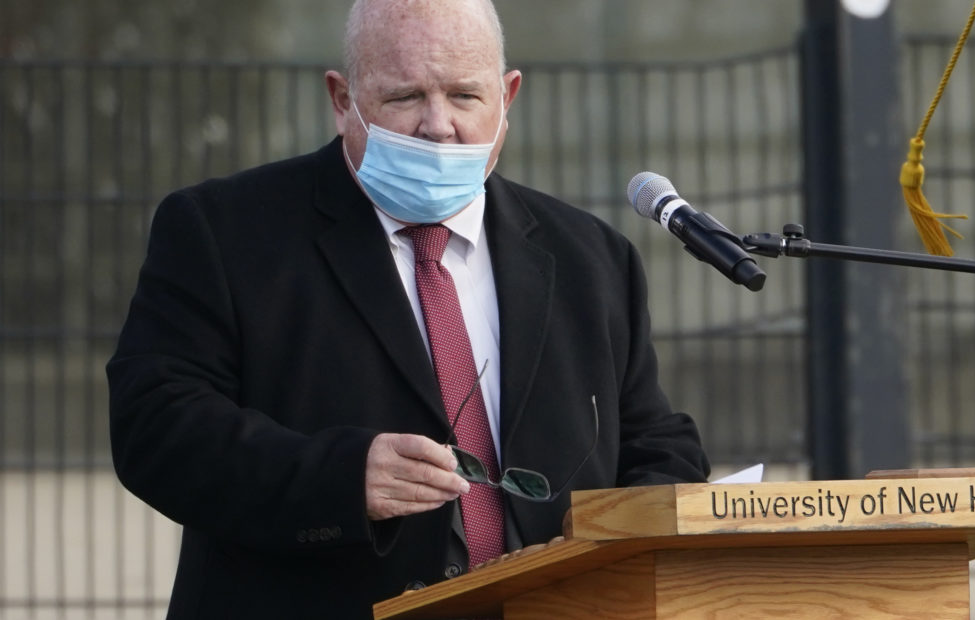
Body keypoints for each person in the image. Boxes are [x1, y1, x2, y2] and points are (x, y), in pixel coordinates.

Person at [106, 0, 710, 617]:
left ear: (509, 99)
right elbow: (156, 428)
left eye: (464, 96)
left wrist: (621, 535)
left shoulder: (591, 257)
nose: (438, 124)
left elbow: (656, 445)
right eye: (405, 98)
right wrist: (339, 479)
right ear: (343, 101)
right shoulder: (225, 232)